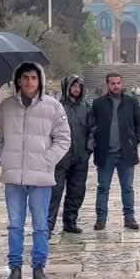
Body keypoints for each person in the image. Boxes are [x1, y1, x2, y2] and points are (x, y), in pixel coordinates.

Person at [0, 63, 71, 279]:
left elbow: (64, 139)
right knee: (15, 225)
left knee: (40, 226)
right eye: (25, 78)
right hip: (14, 177)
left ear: (40, 81)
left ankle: (39, 269)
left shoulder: (53, 107)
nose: (29, 82)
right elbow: (0, 139)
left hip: (41, 176)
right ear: (18, 81)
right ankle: (15, 271)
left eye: (33, 78)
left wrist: (47, 160)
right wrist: (2, 157)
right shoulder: (6, 107)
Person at [91, 72, 140, 231]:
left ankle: (129, 218)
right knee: (103, 187)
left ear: (122, 84)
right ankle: (101, 219)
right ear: (107, 85)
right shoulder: (98, 104)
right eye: (112, 83)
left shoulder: (131, 102)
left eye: (118, 83)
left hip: (126, 154)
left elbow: (139, 124)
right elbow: (92, 126)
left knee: (127, 187)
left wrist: (133, 141)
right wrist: (95, 144)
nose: (115, 86)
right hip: (105, 154)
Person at [49, 75, 93, 235]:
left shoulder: (86, 107)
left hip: (80, 157)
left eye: (79, 86)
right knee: (55, 191)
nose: (76, 89)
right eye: (73, 86)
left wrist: (88, 149)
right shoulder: (56, 107)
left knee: (77, 191)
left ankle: (70, 221)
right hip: (60, 158)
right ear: (66, 88)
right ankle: (48, 225)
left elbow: (93, 130)